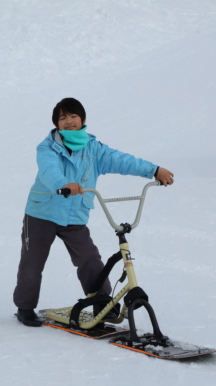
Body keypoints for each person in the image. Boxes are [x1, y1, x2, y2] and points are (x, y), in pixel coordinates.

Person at [13, 97, 174, 326]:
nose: (68, 121)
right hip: (41, 213)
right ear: (56, 124)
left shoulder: (94, 149)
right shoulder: (47, 147)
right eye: (62, 118)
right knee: (32, 262)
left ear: (83, 119)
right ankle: (25, 307)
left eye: (73, 116)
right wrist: (64, 184)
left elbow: (123, 161)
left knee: (89, 259)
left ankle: (102, 302)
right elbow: (49, 170)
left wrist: (154, 170)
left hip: (74, 216)